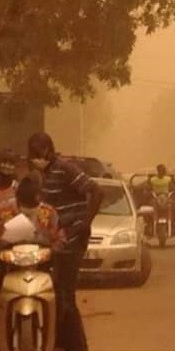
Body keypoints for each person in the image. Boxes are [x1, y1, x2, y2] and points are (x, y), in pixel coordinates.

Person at [27, 132, 103, 351]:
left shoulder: (65, 168)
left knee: (65, 295)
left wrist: (85, 223)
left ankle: (76, 346)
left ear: (48, 150)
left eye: (39, 153)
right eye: (32, 154)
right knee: (50, 291)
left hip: (72, 239)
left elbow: (96, 191)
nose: (36, 158)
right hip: (52, 241)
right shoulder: (38, 176)